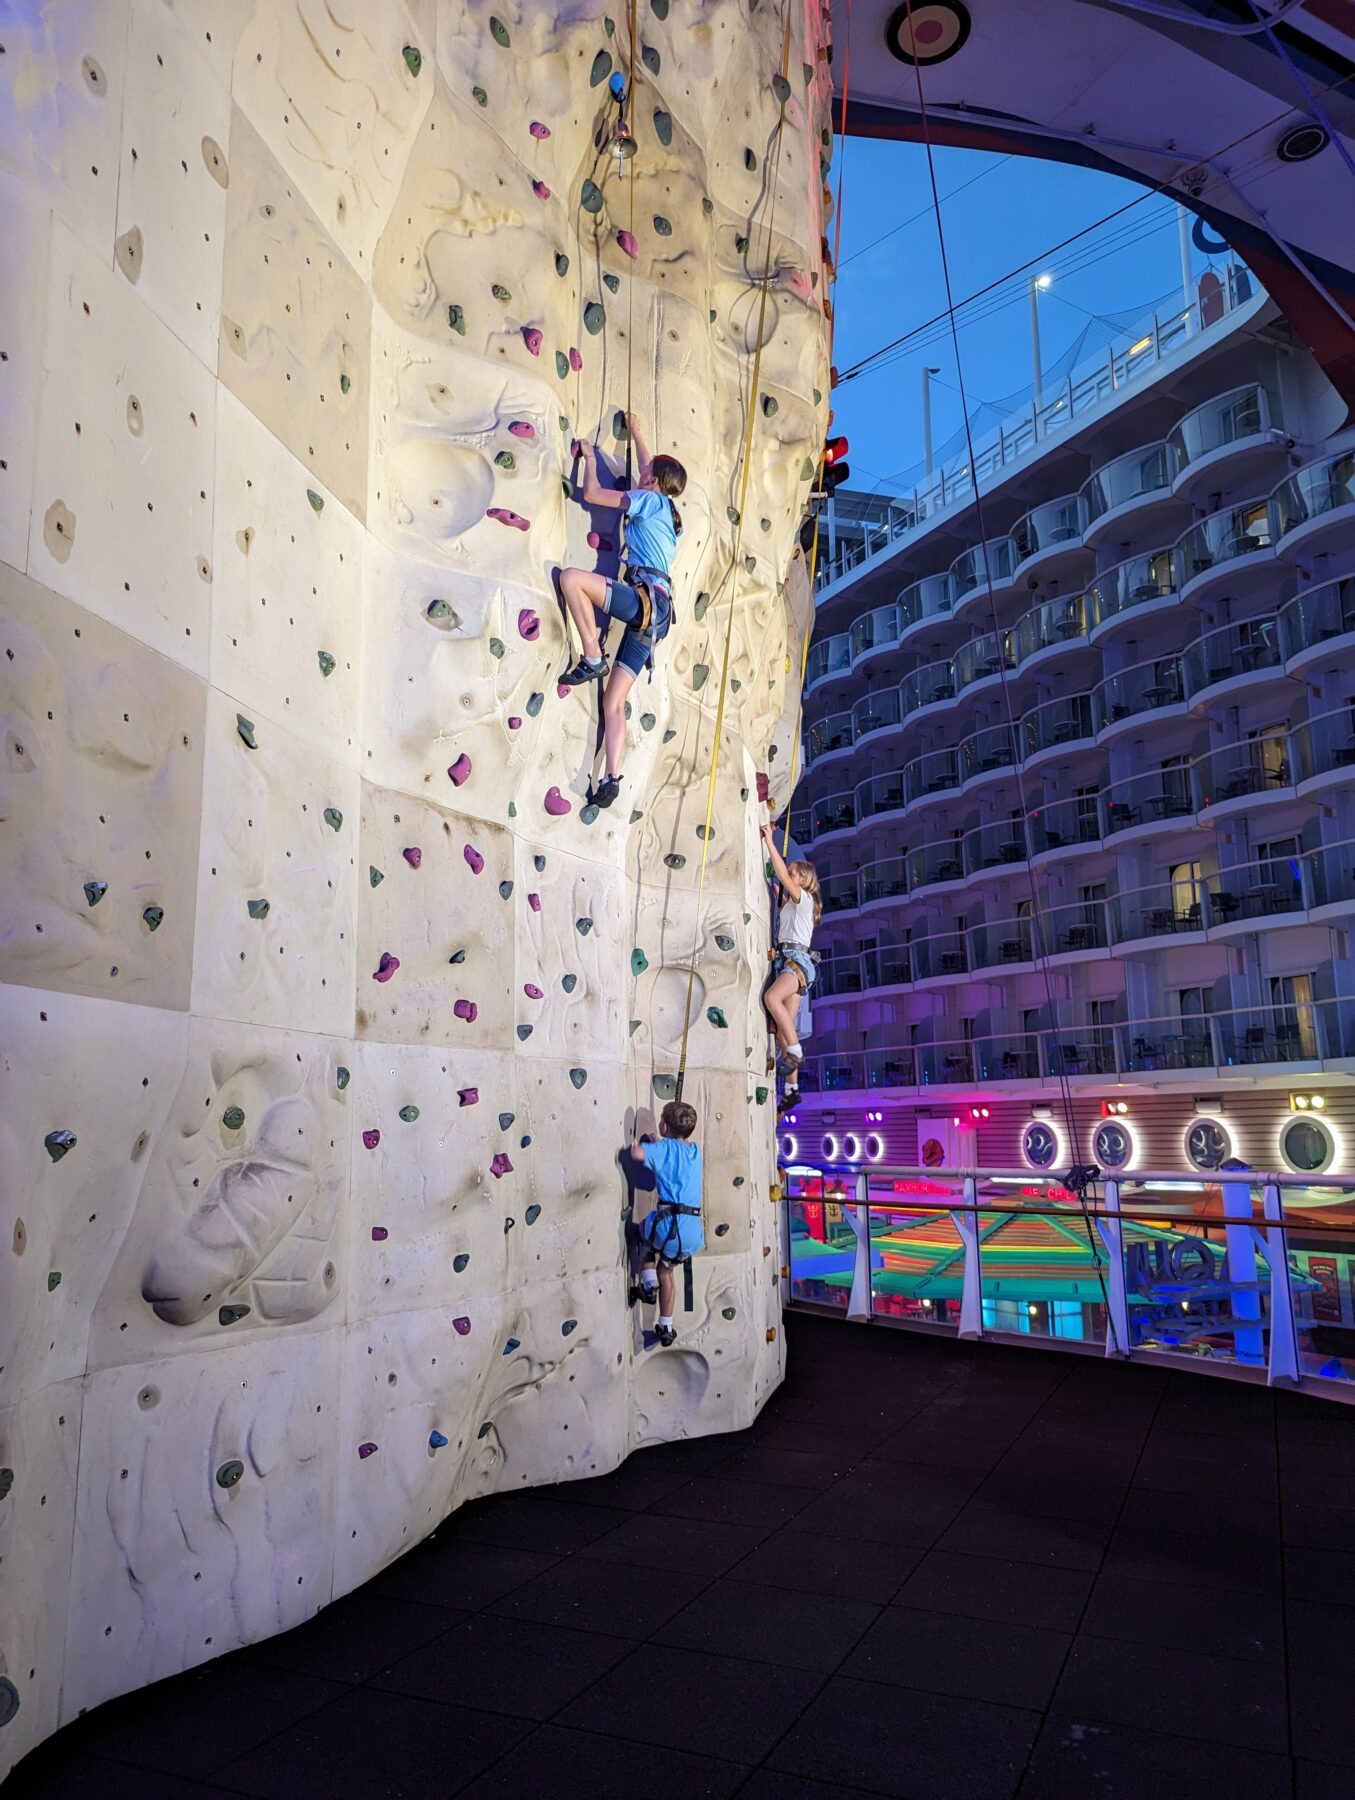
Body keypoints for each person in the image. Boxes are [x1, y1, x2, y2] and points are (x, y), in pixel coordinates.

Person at [557, 413, 686, 809]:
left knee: (571, 579)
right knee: (613, 702)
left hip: (643, 600)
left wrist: (590, 457)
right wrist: (639, 434)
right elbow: (651, 467)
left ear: (654, 481)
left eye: (647, 473)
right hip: (658, 616)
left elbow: (594, 494)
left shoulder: (649, 500)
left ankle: (593, 655)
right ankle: (611, 777)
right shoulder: (670, 515)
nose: (640, 472)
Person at [627, 1099, 703, 1347]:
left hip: (667, 1225)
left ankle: (649, 1286)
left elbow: (637, 1154)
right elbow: (676, 1158)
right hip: (692, 1231)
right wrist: (661, 1145)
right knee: (667, 1270)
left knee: (642, 1235)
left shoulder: (663, 1149)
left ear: (664, 1126)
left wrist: (645, 1146)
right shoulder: (695, 1151)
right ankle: (666, 1326)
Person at [761, 822, 822, 1096]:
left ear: (803, 879)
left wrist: (769, 841)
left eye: (794, 872)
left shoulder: (804, 897)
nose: (790, 873)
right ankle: (791, 1088)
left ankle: (795, 1050)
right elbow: (779, 887)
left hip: (796, 960)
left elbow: (783, 877)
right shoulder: (794, 904)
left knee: (772, 999)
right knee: (783, 1024)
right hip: (793, 961)